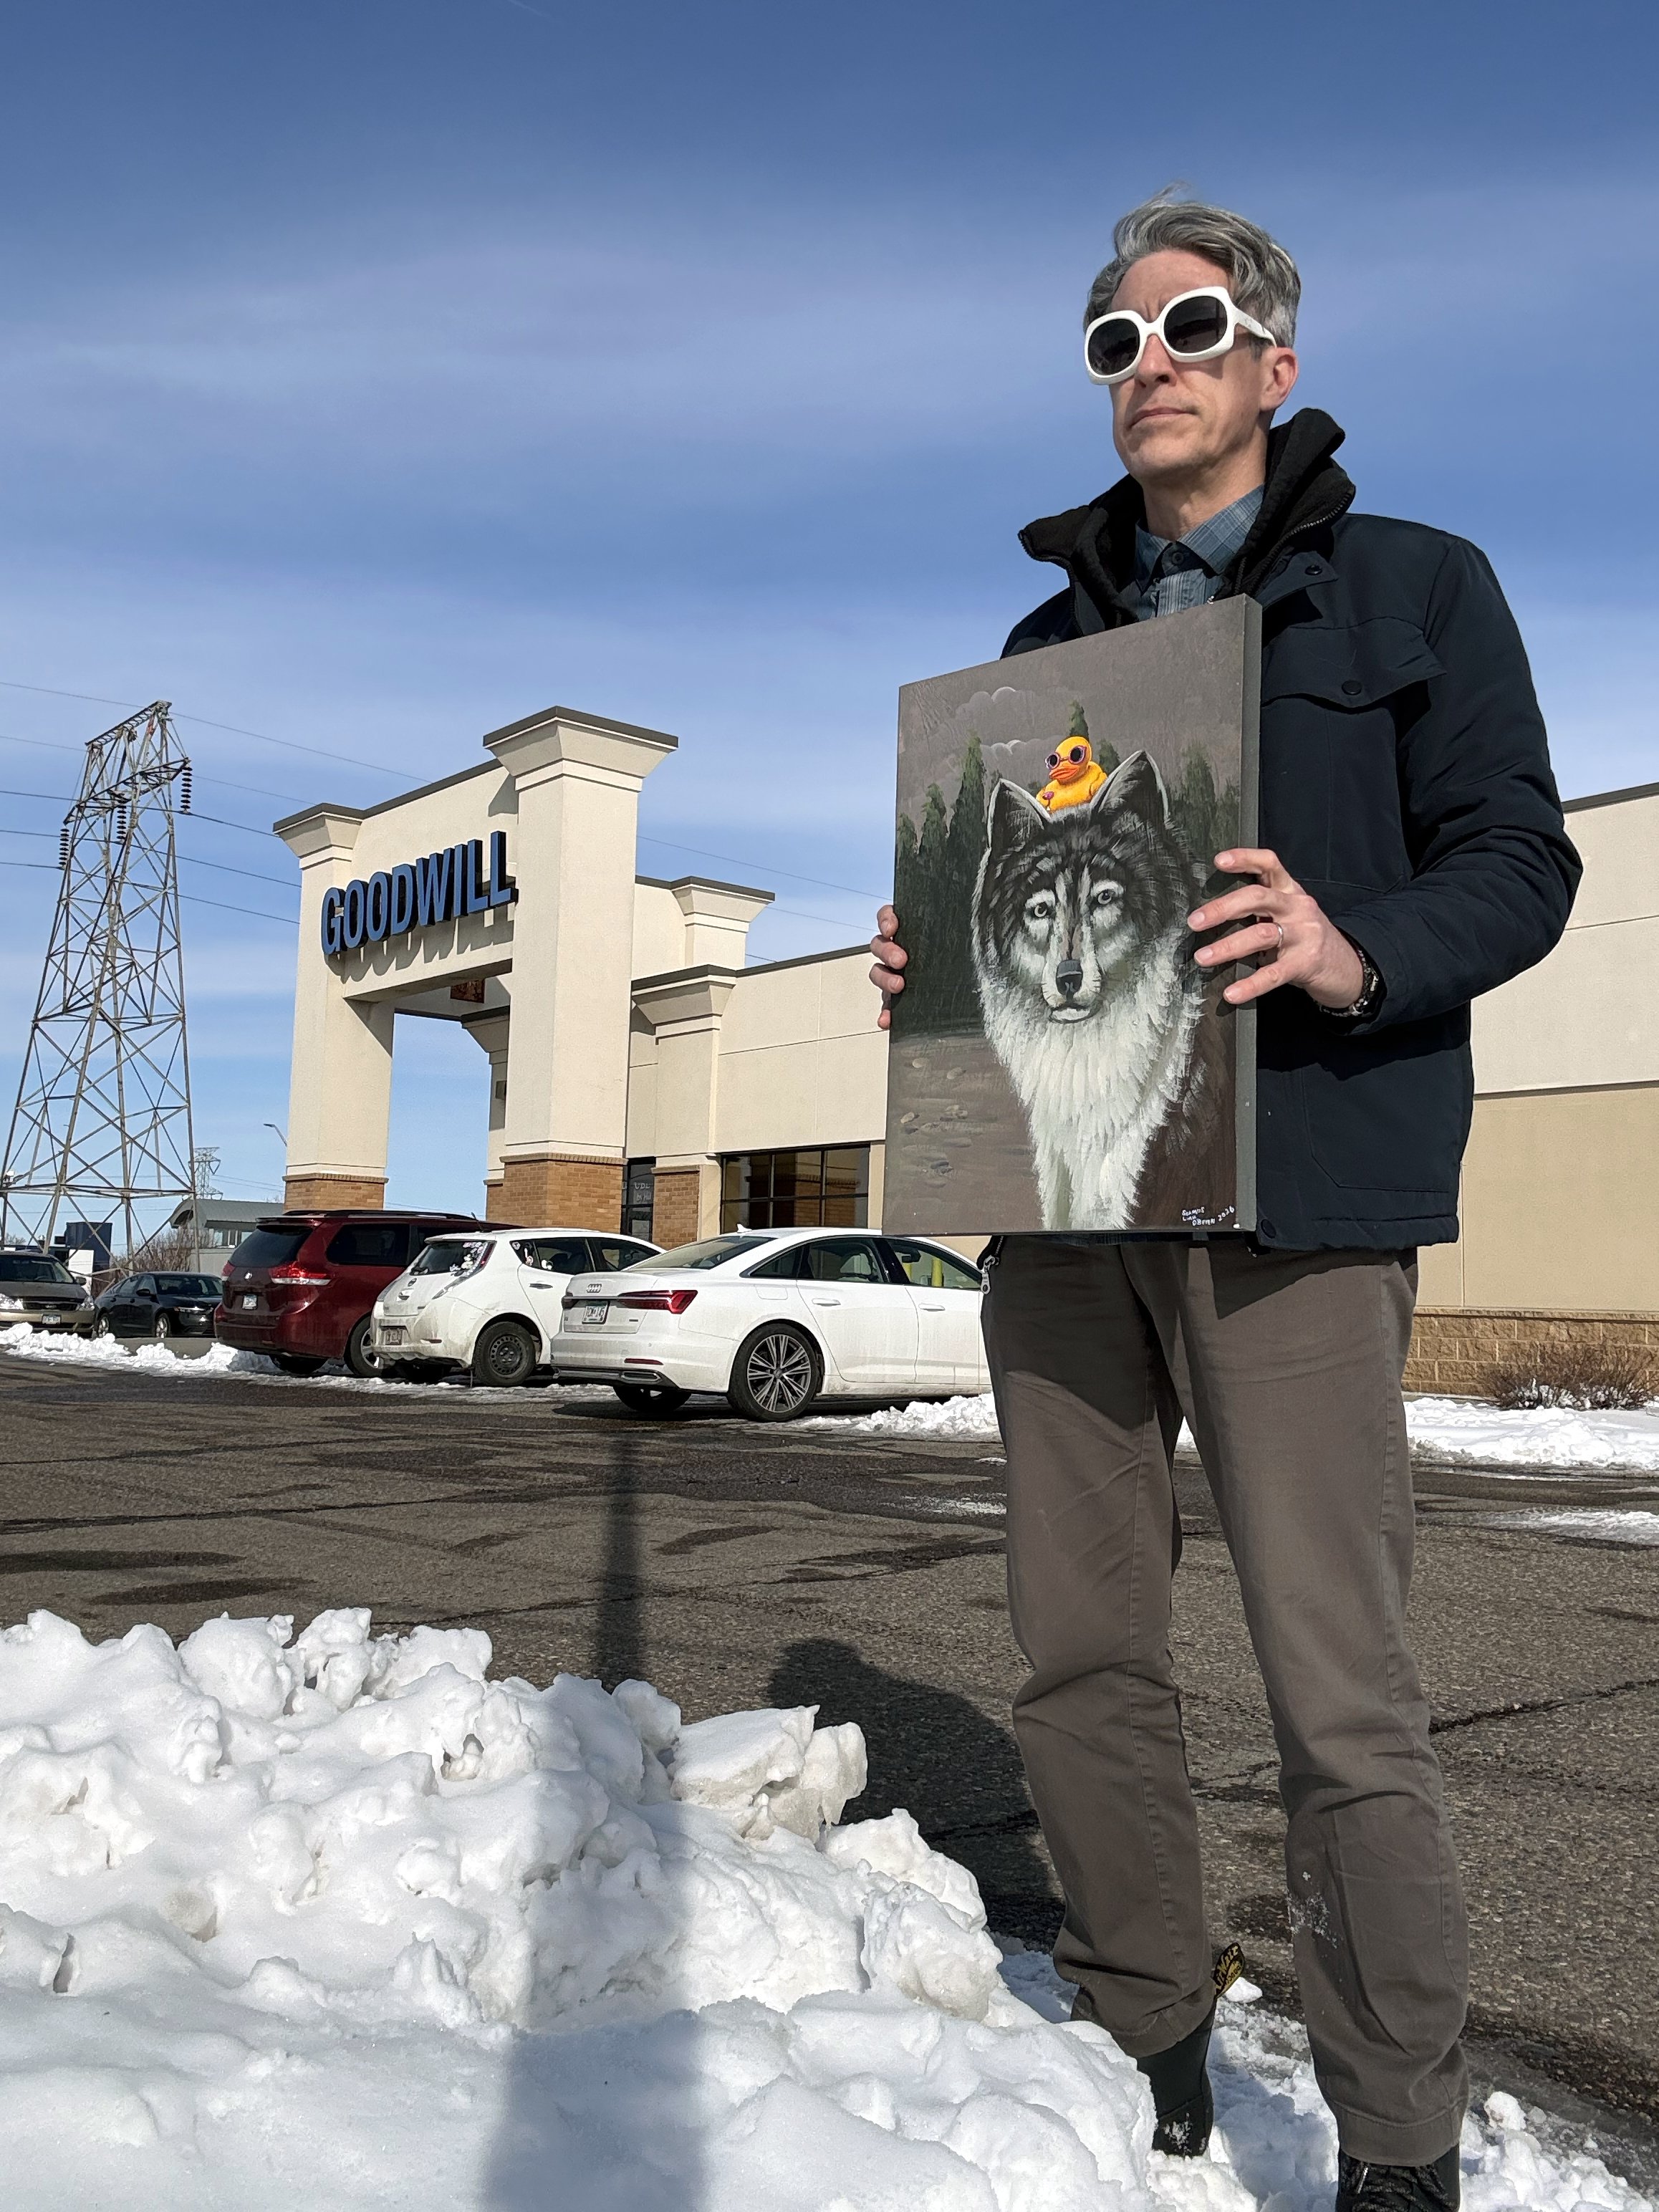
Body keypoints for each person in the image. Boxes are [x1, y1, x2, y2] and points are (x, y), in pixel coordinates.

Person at [870, 193, 1579, 2212]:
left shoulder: (1417, 590)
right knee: (1078, 1653)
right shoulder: (1039, 655)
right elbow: (1013, 915)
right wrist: (938, 964)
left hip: (1302, 1200)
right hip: (1069, 1205)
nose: (1149, 361)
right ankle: (1141, 2033)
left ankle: (1393, 2137)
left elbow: (1518, 864)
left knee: (1336, 1693)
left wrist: (1356, 951)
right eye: (1112, 340)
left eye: (1189, 324)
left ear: (1274, 360)